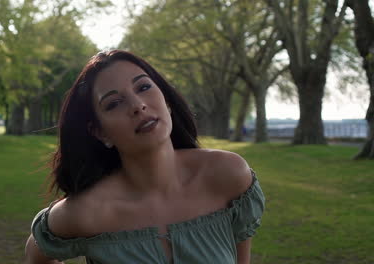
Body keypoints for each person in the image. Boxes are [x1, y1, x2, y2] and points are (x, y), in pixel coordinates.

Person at [24, 50, 265, 264]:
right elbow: (36, 253)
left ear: (166, 100)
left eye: (144, 87)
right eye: (114, 103)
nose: (138, 105)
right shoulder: (88, 212)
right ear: (100, 132)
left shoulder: (228, 175)